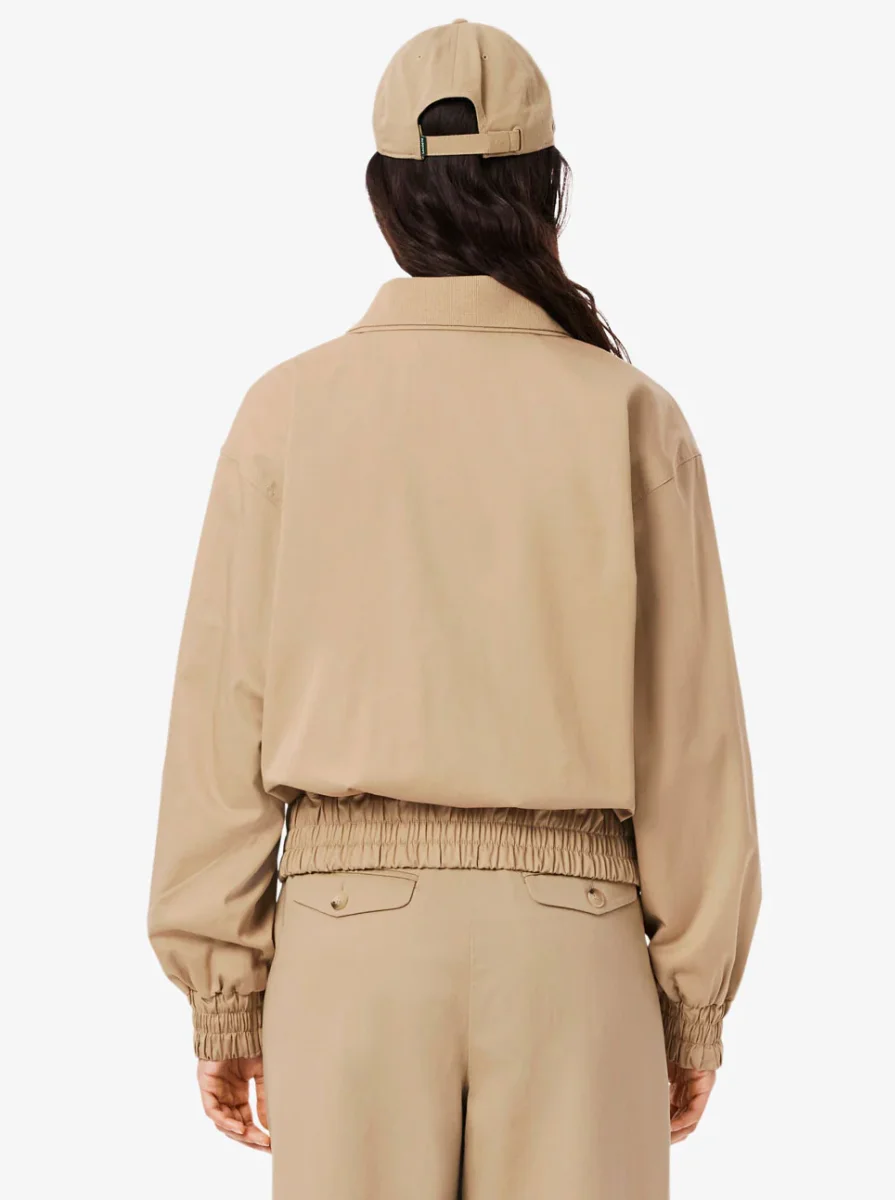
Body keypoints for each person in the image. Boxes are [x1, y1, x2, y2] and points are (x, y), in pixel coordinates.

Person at [148, 19, 761, 1199]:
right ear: (545, 191)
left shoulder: (286, 413)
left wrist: (224, 993)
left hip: (348, 951)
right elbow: (690, 739)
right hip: (572, 949)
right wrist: (693, 1004)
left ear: (384, 198)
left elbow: (222, 722)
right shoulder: (630, 416)